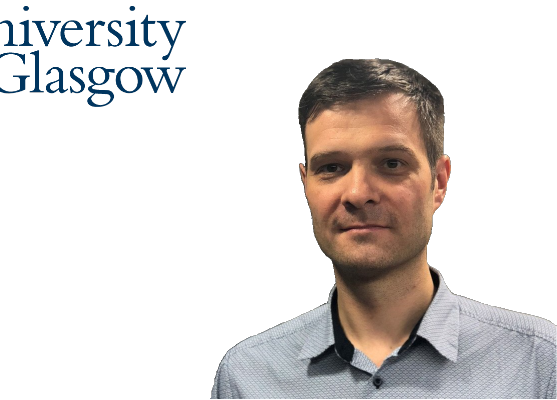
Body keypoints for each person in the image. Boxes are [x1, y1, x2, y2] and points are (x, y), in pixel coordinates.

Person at [210, 59, 556, 399]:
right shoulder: (248, 374)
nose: (358, 194)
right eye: (331, 167)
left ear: (439, 181)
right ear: (306, 185)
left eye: (392, 163)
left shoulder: (540, 363)